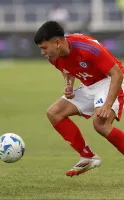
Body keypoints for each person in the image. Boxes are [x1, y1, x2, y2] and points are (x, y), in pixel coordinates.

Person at [34, 21, 124, 177]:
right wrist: (69, 84)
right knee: (54, 113)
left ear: (57, 43)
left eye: (44, 48)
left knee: (100, 123)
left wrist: (107, 105)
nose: (43, 53)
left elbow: (117, 74)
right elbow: (67, 68)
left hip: (110, 80)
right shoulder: (53, 55)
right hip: (90, 84)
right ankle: (88, 156)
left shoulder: (87, 48)